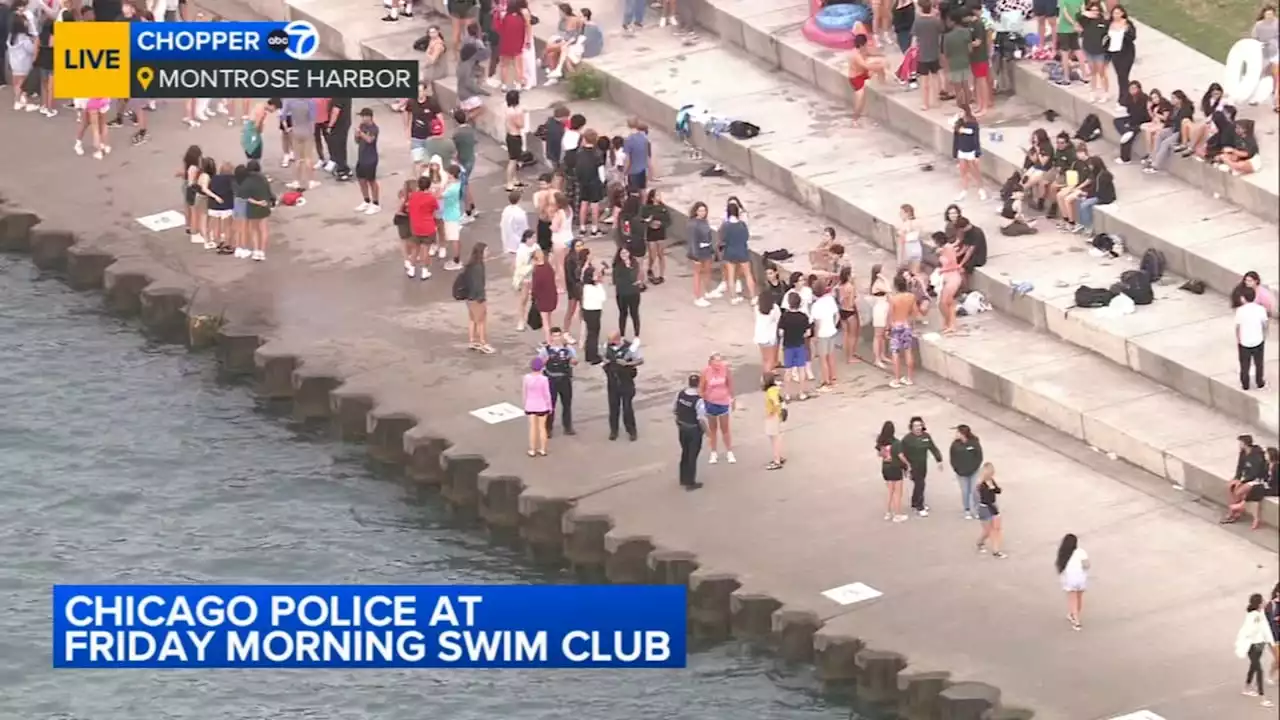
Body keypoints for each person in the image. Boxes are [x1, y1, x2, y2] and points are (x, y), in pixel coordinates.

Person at [1237, 593, 1278, 707]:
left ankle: (1246, 688)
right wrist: (1255, 629)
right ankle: (1263, 698)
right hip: (1252, 646)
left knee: (1253, 667)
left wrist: (1271, 642)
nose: (1265, 602)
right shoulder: (1253, 616)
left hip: (1260, 645)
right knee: (1259, 671)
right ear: (1259, 604)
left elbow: (1266, 629)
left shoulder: (1261, 614)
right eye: (1263, 601)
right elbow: (1249, 631)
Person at [538, 327, 577, 436]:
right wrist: (545, 361)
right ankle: (548, 428)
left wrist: (572, 360)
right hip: (551, 380)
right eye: (554, 336)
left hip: (565, 379)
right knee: (550, 405)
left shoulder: (568, 349)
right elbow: (538, 364)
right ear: (550, 337)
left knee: (567, 404)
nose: (557, 338)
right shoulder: (545, 350)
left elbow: (575, 361)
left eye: (558, 335)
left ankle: (568, 427)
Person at [603, 333, 642, 441]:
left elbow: (640, 360)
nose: (611, 343)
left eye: (613, 341)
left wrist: (627, 364)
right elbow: (603, 357)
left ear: (618, 339)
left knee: (627, 408)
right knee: (613, 408)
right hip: (612, 382)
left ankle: (631, 431)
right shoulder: (607, 346)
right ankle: (613, 431)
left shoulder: (630, 347)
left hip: (626, 381)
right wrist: (604, 362)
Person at [901, 416, 942, 516]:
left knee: (919, 484)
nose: (918, 427)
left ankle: (914, 502)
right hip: (912, 466)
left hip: (923, 464)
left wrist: (939, 460)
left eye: (919, 425)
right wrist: (905, 468)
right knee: (920, 484)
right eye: (915, 426)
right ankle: (920, 507)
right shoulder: (907, 439)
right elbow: (901, 453)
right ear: (911, 427)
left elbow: (933, 448)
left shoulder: (926, 436)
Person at [700, 353, 735, 464]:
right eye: (716, 361)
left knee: (725, 429)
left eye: (720, 361)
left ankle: (729, 451)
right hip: (710, 403)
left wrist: (733, 399)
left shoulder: (725, 370)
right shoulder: (706, 372)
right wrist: (703, 401)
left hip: (723, 402)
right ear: (710, 362)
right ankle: (714, 452)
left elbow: (730, 384)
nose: (718, 363)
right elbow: (701, 388)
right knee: (713, 429)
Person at [674, 373, 707, 490]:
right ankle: (690, 482)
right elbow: (701, 419)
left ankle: (683, 478)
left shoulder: (681, 394)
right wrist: (706, 432)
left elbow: (675, 410)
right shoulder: (699, 401)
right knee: (692, 456)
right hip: (693, 430)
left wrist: (678, 422)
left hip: (682, 428)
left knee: (685, 453)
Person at [777, 292, 811, 401]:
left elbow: (781, 333)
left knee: (788, 371)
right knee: (801, 369)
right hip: (800, 345)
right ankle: (801, 393)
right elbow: (808, 333)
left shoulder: (785, 316)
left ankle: (787, 394)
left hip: (788, 346)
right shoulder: (803, 317)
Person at [886, 272, 918, 388]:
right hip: (906, 324)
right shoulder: (911, 297)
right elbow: (914, 312)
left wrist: (887, 328)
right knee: (908, 350)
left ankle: (896, 379)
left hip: (896, 325)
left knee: (895, 352)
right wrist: (912, 324)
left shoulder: (894, 299)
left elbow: (890, 314)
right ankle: (909, 378)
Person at [847, 34, 887, 126]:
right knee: (860, 97)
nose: (866, 47)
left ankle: (883, 85)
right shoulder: (856, 55)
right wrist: (877, 66)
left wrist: (880, 55)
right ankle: (855, 119)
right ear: (861, 45)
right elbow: (865, 65)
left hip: (864, 73)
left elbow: (869, 54)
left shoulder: (864, 50)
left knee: (880, 64)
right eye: (865, 45)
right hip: (856, 78)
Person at [1236, 286, 1269, 391]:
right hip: (1258, 340)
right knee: (1259, 363)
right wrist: (1264, 335)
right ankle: (1260, 382)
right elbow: (1265, 324)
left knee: (1244, 364)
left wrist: (1238, 339)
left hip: (1244, 341)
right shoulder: (1261, 309)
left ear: (1243, 298)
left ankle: (1245, 384)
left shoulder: (1240, 311)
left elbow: (1237, 327)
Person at [876, 421, 909, 522]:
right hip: (895, 468)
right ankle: (897, 514)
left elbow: (879, 454)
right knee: (898, 492)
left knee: (890, 491)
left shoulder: (881, 442)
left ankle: (888, 513)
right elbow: (901, 456)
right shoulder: (896, 443)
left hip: (885, 467)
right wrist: (907, 464)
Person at [1055, 533, 1089, 631]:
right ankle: (1074, 615)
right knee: (1079, 598)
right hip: (1081, 578)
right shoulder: (1081, 552)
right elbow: (1086, 564)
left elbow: (1060, 567)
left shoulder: (1063, 554)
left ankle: (1075, 619)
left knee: (1072, 599)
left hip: (1069, 579)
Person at [810, 280, 840, 390]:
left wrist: (815, 336)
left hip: (822, 334)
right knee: (831, 357)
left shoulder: (815, 306)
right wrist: (834, 325)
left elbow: (817, 323)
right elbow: (837, 315)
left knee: (823, 359)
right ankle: (833, 378)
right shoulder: (830, 299)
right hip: (831, 331)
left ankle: (826, 381)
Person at [952, 104, 985, 202]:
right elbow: (956, 139)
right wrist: (955, 153)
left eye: (961, 111)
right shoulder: (958, 124)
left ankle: (981, 189)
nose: (960, 114)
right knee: (963, 172)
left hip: (971, 151)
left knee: (975, 172)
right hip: (961, 151)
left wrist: (977, 154)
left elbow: (976, 139)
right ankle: (964, 190)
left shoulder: (973, 124)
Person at [950, 424, 983, 519]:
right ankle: (967, 509)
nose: (956, 434)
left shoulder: (974, 443)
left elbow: (979, 456)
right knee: (965, 491)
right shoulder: (955, 445)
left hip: (973, 471)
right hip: (961, 473)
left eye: (958, 432)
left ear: (963, 433)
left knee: (975, 490)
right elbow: (953, 458)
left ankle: (976, 510)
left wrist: (975, 467)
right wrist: (956, 469)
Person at [1077, 0, 1108, 103]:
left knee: (1102, 73)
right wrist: (1084, 13)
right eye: (1092, 10)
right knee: (1093, 73)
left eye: (1096, 10)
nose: (1094, 12)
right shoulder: (1086, 21)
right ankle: (1093, 92)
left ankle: (1105, 92)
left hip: (1099, 51)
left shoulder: (1103, 21)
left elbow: (1107, 34)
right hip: (1089, 50)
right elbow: (1077, 17)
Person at [941, 11, 973, 109]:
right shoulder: (967, 32)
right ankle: (968, 103)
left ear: (953, 21)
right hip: (965, 62)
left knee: (957, 87)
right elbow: (970, 49)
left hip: (954, 64)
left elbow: (946, 54)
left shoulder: (947, 37)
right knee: (966, 84)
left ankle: (961, 106)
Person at [1105, 5, 1136, 106]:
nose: (1116, 15)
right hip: (1114, 53)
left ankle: (1123, 99)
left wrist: (1126, 31)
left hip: (1126, 53)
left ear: (1122, 13)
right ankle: (1128, 95)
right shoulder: (1109, 24)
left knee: (1123, 75)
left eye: (1118, 13)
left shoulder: (1127, 24)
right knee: (1120, 76)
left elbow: (1133, 37)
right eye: (1114, 13)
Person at [974, 463, 1005, 557]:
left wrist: (995, 488)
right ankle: (980, 542)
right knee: (987, 531)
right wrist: (991, 490)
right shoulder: (981, 485)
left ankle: (996, 550)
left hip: (993, 506)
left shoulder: (992, 481)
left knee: (996, 529)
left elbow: (998, 491)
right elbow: (986, 499)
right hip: (985, 508)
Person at [354, 107, 381, 215]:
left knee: (371, 181)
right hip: (361, 157)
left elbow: (370, 140)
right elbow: (357, 141)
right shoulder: (362, 126)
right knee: (361, 180)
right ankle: (366, 200)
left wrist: (361, 134)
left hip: (371, 158)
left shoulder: (374, 128)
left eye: (364, 116)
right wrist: (356, 135)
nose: (362, 118)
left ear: (369, 117)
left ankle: (375, 203)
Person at [523, 356, 552, 456]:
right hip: (542, 406)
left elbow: (525, 392)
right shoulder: (544, 379)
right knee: (542, 428)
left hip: (530, 405)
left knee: (532, 428)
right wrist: (550, 406)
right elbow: (547, 394)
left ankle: (532, 450)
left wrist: (525, 403)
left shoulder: (526, 378)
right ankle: (543, 449)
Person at [613, 246, 643, 338]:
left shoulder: (634, 263)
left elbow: (635, 277)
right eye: (622, 253)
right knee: (623, 314)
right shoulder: (617, 266)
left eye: (626, 253)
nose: (624, 255)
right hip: (622, 294)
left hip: (634, 293)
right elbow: (616, 280)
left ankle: (636, 335)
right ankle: (622, 335)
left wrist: (630, 269)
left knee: (634, 313)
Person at [530, 248, 558, 344]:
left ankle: (549, 342)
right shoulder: (548, 266)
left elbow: (535, 287)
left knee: (545, 322)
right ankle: (552, 339)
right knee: (549, 320)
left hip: (543, 299)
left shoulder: (537, 271)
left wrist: (533, 296)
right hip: (552, 296)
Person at [1255, 5, 1279, 114]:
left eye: (1271, 14)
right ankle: (1255, 96)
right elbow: (1255, 38)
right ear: (1264, 14)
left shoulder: (1277, 23)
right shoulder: (1259, 25)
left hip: (1275, 52)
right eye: (1267, 14)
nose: (1269, 16)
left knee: (1276, 76)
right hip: (1263, 53)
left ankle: (1276, 101)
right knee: (1259, 75)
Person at [581, 265, 606, 364]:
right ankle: (593, 356)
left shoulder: (586, 287)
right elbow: (602, 297)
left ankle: (589, 354)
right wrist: (599, 284)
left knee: (591, 333)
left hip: (589, 311)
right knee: (593, 334)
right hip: (593, 312)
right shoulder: (591, 287)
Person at [503, 90, 526, 191]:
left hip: (509, 135)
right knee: (513, 161)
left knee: (514, 159)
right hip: (515, 136)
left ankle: (515, 179)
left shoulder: (507, 110)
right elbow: (521, 125)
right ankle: (509, 183)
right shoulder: (516, 112)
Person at [762, 371, 785, 470]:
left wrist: (772, 412)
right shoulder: (774, 389)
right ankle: (779, 457)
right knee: (777, 438)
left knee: (774, 439)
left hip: (772, 417)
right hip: (777, 416)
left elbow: (775, 403)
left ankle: (777, 461)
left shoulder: (770, 391)